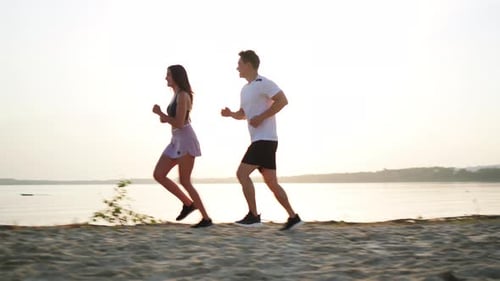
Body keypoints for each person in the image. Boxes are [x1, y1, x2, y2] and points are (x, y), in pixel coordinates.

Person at [221, 50, 302, 231]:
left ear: (248, 64)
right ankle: (293, 217)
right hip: (262, 140)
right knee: (271, 183)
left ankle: (254, 215)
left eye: (239, 64)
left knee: (242, 174)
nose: (237, 68)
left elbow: (283, 100)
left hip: (265, 140)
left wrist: (261, 117)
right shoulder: (245, 89)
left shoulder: (264, 83)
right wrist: (231, 114)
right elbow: (243, 114)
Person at [152, 64, 212, 228]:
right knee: (159, 174)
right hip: (176, 140)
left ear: (176, 77)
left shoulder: (183, 95)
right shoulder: (176, 95)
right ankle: (188, 203)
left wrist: (161, 114)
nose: (166, 78)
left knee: (185, 181)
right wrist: (164, 117)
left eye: (168, 75)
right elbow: (174, 120)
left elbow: (179, 123)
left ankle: (206, 219)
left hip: (185, 139)